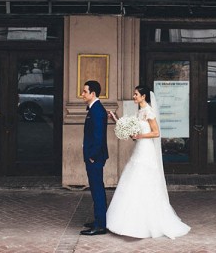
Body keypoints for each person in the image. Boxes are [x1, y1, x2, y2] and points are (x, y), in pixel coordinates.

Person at [106, 85, 190, 239]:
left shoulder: (149, 111)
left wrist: (140, 137)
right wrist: (116, 120)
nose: (134, 96)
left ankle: (146, 223)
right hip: (139, 148)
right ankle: (128, 221)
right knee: (133, 181)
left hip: (146, 150)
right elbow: (134, 133)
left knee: (143, 181)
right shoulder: (139, 112)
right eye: (134, 94)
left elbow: (156, 132)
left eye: (136, 94)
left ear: (144, 96)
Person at [80, 80, 109, 236]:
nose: (82, 94)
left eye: (85, 91)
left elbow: (98, 137)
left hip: (95, 158)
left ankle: (100, 225)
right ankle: (99, 220)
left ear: (93, 94)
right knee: (96, 189)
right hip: (94, 156)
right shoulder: (94, 109)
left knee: (97, 190)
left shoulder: (97, 110)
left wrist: (92, 155)